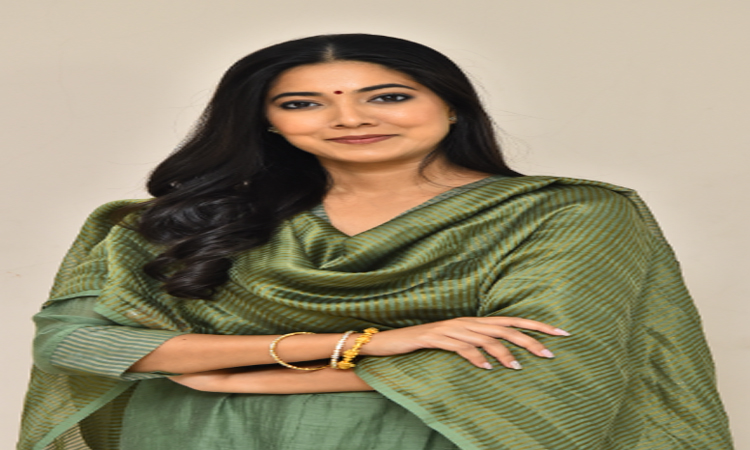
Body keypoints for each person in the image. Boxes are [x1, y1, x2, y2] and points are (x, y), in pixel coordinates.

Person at [18, 34, 732, 450]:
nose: (350, 119)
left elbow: (542, 364)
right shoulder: (187, 221)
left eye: (388, 96)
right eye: (302, 103)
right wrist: (369, 345)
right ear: (269, 123)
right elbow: (75, 345)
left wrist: (241, 375)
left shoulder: (568, 214)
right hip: (194, 438)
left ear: (450, 106)